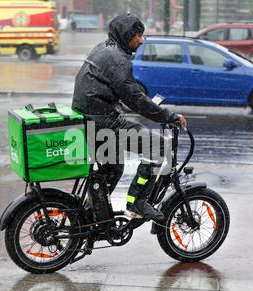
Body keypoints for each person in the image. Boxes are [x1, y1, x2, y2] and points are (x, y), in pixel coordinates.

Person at [72, 13, 186, 227]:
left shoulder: (104, 48)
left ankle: (93, 216)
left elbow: (111, 89)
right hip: (103, 124)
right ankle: (138, 203)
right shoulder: (118, 59)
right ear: (127, 35)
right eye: (138, 35)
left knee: (113, 169)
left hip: (90, 120)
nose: (141, 40)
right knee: (159, 148)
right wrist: (169, 116)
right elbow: (135, 99)